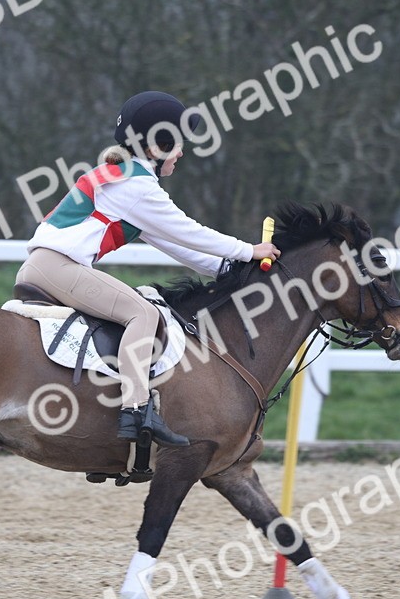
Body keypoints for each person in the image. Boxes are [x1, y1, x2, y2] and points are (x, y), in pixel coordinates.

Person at [16, 91, 279, 447]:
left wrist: (230, 269)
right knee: (144, 314)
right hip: (57, 267)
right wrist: (248, 250)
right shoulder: (137, 186)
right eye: (178, 145)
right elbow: (188, 230)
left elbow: (177, 245)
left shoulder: (125, 178)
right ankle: (136, 409)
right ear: (156, 149)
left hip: (47, 266)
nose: (182, 152)